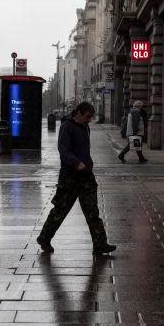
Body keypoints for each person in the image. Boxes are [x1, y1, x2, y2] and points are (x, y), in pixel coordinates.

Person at [37, 101, 117, 255]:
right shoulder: (67, 126)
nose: (89, 120)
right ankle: (44, 238)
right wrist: (76, 163)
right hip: (70, 177)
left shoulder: (84, 126)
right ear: (78, 113)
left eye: (91, 117)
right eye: (87, 116)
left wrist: (88, 163)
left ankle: (100, 244)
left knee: (92, 212)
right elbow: (63, 149)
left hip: (86, 176)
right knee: (60, 210)